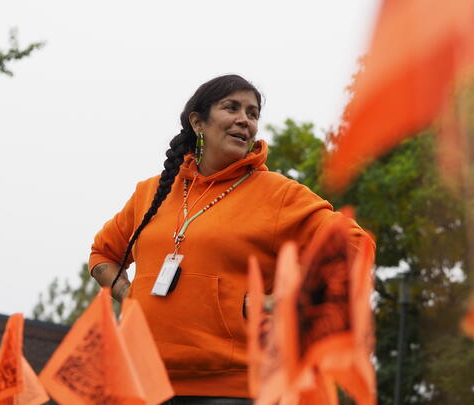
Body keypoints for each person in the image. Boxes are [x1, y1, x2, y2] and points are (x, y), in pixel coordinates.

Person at [89, 75, 360, 404]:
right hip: (142, 383)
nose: (244, 120)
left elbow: (352, 244)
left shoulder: (277, 194)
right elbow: (103, 255)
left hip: (233, 390)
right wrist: (132, 298)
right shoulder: (152, 191)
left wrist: (285, 301)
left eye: (252, 113)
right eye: (232, 108)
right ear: (198, 122)